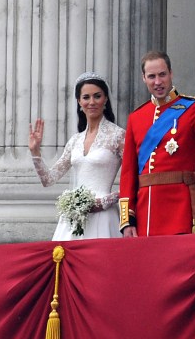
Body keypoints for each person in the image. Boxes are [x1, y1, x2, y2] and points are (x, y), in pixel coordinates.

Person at [119, 51, 195, 237]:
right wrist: (127, 219)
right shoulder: (136, 117)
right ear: (144, 78)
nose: (158, 82)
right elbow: (128, 173)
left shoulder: (193, 108)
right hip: (145, 211)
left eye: (162, 75)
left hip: (179, 208)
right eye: (152, 76)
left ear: (171, 74)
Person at [29, 72, 126, 240]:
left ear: (105, 99)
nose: (92, 102)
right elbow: (49, 179)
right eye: (86, 97)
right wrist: (35, 152)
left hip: (104, 216)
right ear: (79, 102)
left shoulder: (118, 135)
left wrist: (107, 200)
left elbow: (133, 178)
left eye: (97, 96)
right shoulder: (75, 140)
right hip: (74, 217)